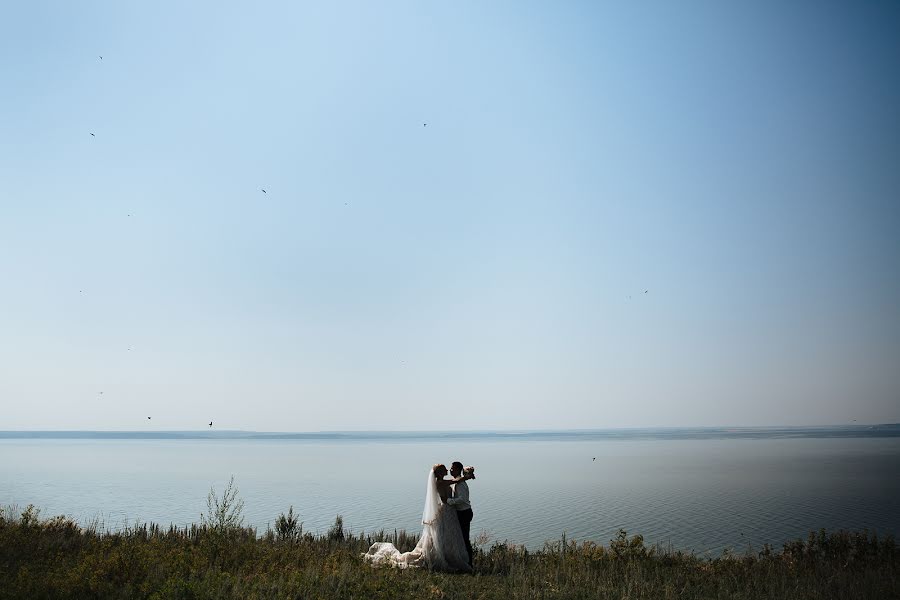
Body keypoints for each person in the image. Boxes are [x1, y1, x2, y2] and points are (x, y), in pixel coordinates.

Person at [362, 464, 474, 573]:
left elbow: (455, 482)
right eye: (444, 469)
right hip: (446, 510)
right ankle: (449, 558)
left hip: (449, 512)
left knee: (448, 536)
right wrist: (468, 476)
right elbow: (452, 486)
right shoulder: (440, 483)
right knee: (446, 536)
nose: (447, 470)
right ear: (439, 473)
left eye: (448, 468)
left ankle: (451, 557)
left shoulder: (442, 481)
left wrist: (467, 476)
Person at [446, 461, 474, 568]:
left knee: (464, 538)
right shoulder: (457, 481)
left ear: (458, 470)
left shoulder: (460, 484)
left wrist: (449, 501)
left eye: (452, 468)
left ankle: (469, 563)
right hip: (462, 512)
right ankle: (463, 560)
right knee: (461, 537)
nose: (450, 470)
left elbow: (462, 499)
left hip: (464, 513)